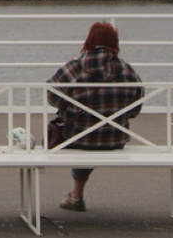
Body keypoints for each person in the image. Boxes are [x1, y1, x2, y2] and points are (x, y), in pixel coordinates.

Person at [48, 21, 143, 212]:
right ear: (115, 43)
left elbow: (52, 98)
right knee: (93, 131)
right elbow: (134, 110)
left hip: (76, 138)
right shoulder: (128, 71)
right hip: (115, 138)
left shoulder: (75, 68)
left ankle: (76, 196)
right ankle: (75, 195)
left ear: (88, 41)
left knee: (85, 134)